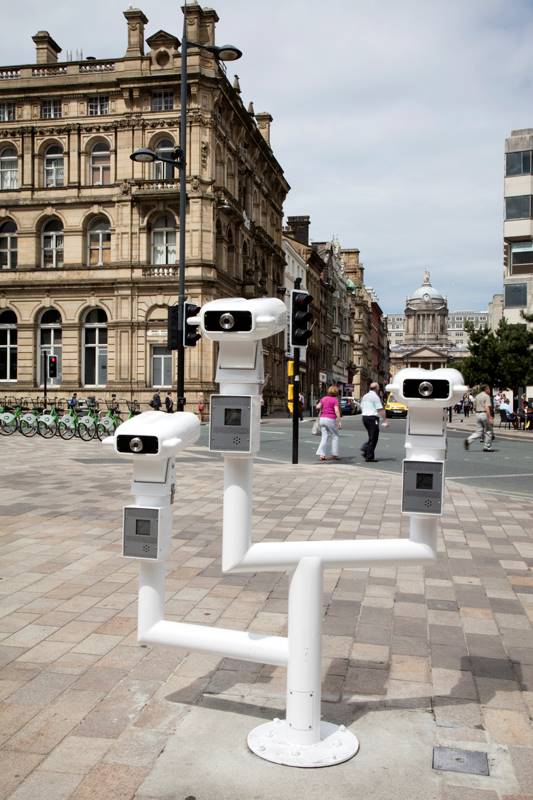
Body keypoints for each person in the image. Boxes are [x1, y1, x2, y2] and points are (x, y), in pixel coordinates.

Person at [360, 382, 388, 462]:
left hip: (364, 417)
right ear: (376, 388)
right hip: (372, 418)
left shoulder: (365, 396)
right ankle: (368, 455)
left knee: (371, 436)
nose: (379, 388)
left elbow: (361, 406)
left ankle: (367, 451)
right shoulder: (375, 397)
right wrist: (385, 420)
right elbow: (380, 409)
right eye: (378, 387)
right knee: (374, 437)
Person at [315, 385, 342, 462]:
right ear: (336, 392)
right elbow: (336, 410)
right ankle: (334, 454)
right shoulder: (335, 400)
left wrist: (320, 404)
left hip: (322, 419)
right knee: (335, 435)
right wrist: (339, 421)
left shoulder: (323, 398)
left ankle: (322, 455)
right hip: (330, 419)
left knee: (324, 437)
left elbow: (317, 407)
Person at [464, 384, 494, 452]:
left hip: (477, 414)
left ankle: (468, 440)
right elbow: (487, 407)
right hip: (484, 414)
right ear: (486, 389)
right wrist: (490, 417)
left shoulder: (477, 396)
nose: (489, 390)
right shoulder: (486, 396)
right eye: (489, 389)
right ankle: (487, 447)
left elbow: (474, 407)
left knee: (478, 432)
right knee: (488, 431)